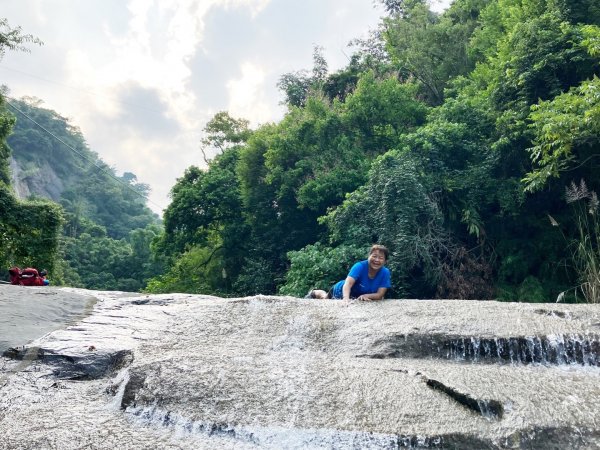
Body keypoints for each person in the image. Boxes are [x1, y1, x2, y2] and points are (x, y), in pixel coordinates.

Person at [307, 244, 391, 301]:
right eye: (374, 256)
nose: (376, 260)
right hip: (341, 290)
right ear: (369, 256)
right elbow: (348, 284)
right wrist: (345, 299)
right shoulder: (359, 266)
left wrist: (366, 296)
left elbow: (380, 294)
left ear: (385, 261)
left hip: (358, 295)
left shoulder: (385, 272)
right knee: (325, 299)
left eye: (380, 258)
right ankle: (314, 293)